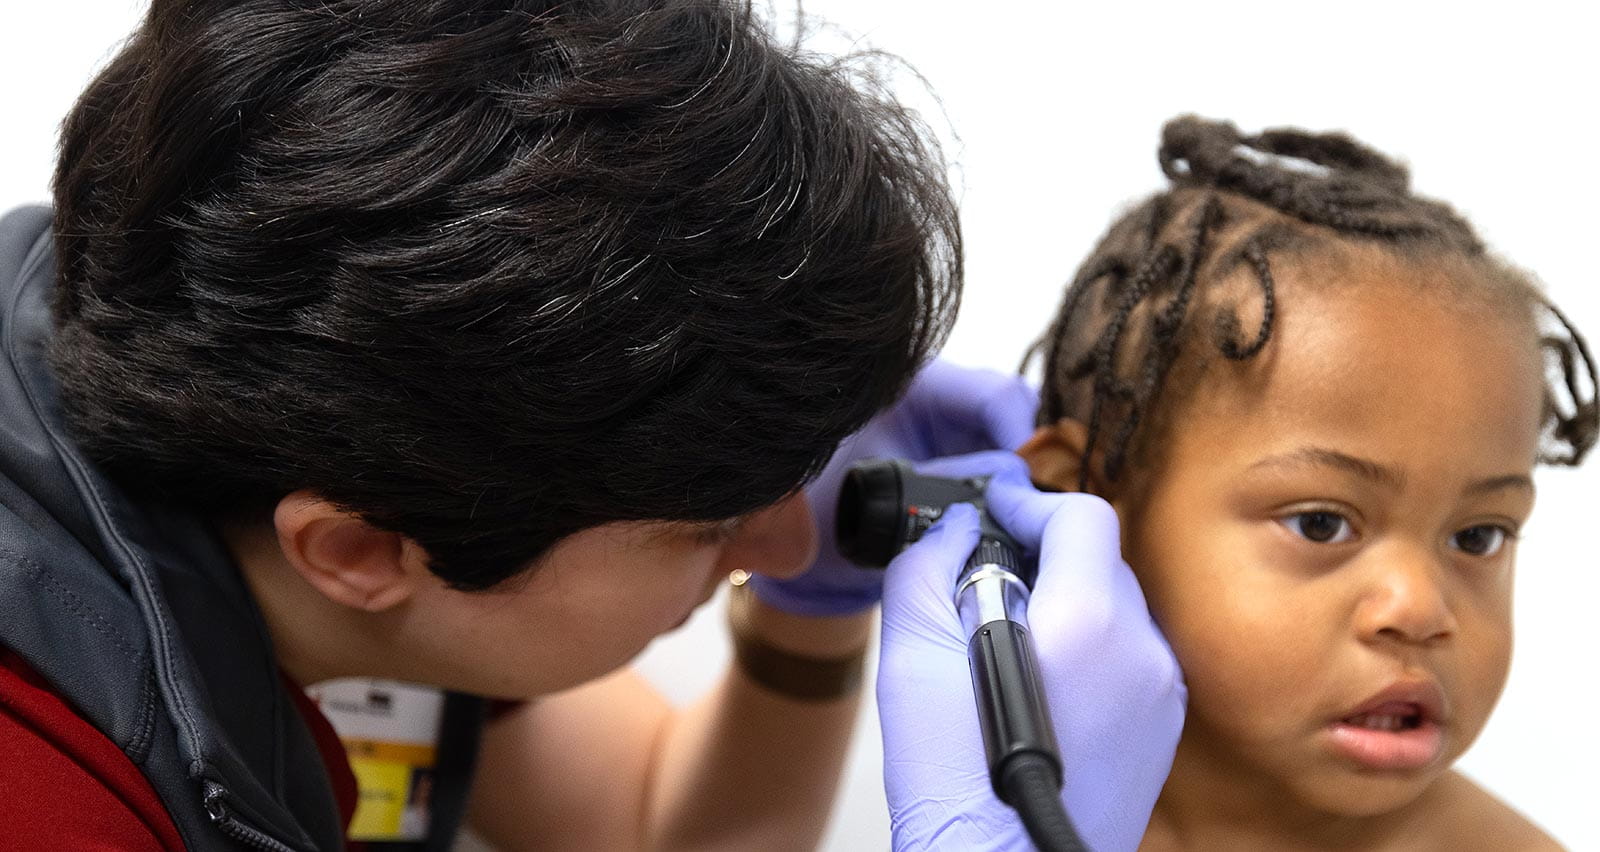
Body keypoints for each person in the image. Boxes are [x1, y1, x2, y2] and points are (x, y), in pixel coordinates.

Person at [0, 1, 1184, 850]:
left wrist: (809, 614)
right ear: (360, 551)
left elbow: (644, 826)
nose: (780, 542)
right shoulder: (48, 801)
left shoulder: (339, 434)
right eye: (713, 523)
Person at [994, 115, 1592, 849]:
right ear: (1077, 510)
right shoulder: (992, 812)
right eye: (1320, 522)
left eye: (1479, 535)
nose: (1420, 609)